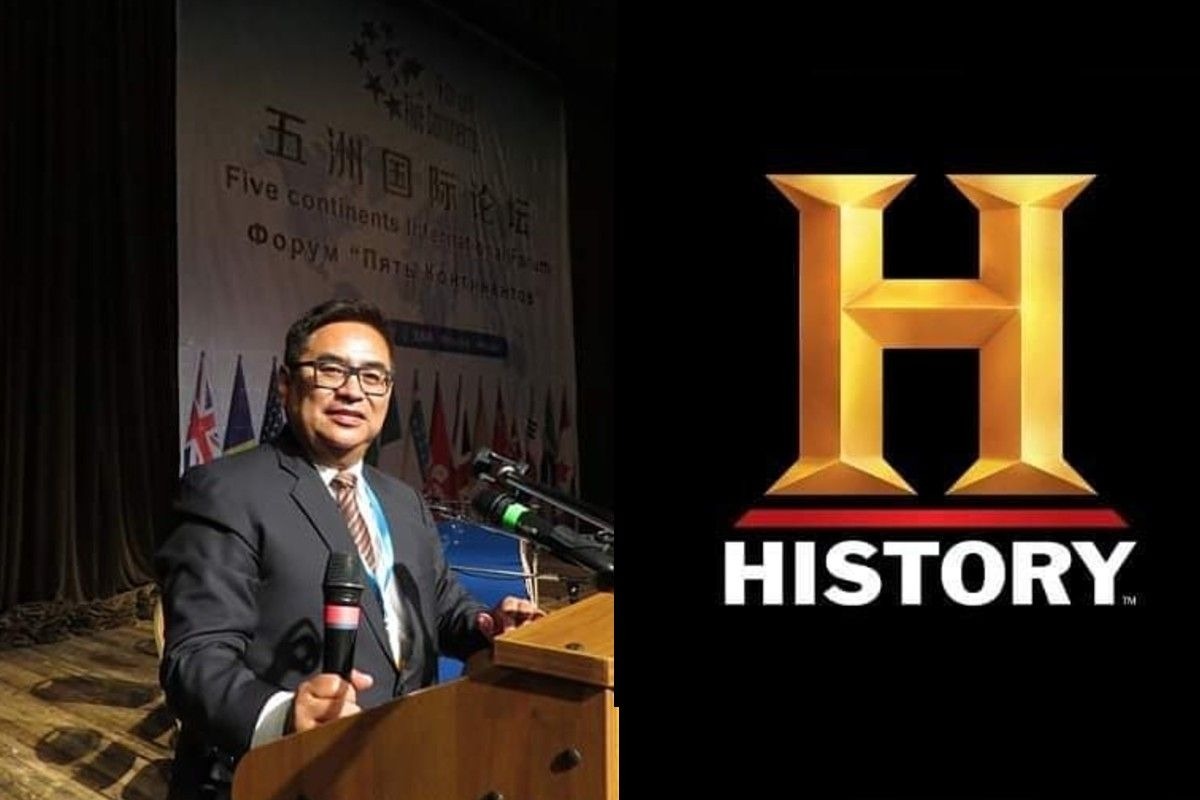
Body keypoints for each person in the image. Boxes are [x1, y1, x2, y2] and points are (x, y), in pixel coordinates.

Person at [156, 299, 543, 800]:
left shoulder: (402, 500)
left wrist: (487, 626)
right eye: (331, 370)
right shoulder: (225, 491)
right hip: (284, 777)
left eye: (372, 377)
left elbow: (439, 605)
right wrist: (283, 715)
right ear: (286, 383)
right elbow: (195, 659)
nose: (352, 391)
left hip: (404, 764)